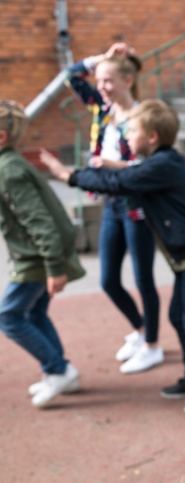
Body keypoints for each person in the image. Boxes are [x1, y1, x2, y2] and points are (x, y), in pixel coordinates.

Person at [41, 99, 185, 417]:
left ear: (151, 137)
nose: (126, 135)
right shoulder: (163, 160)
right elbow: (129, 172)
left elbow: (122, 183)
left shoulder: (161, 166)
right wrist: (107, 165)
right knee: (180, 317)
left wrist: (69, 176)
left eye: (132, 130)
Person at [66, 42, 162, 374]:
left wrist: (110, 165)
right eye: (100, 80)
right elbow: (70, 76)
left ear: (129, 80)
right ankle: (139, 330)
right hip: (111, 203)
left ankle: (152, 345)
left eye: (108, 80)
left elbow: (147, 166)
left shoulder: (144, 115)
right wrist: (99, 58)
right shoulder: (102, 108)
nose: (102, 86)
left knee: (143, 279)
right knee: (107, 280)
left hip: (136, 206)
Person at [0, 100, 85, 408]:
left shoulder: (8, 171)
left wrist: (53, 266)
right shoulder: (9, 164)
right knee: (34, 313)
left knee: (9, 317)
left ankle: (58, 370)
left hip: (37, 260)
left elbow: (40, 222)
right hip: (36, 256)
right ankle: (62, 372)